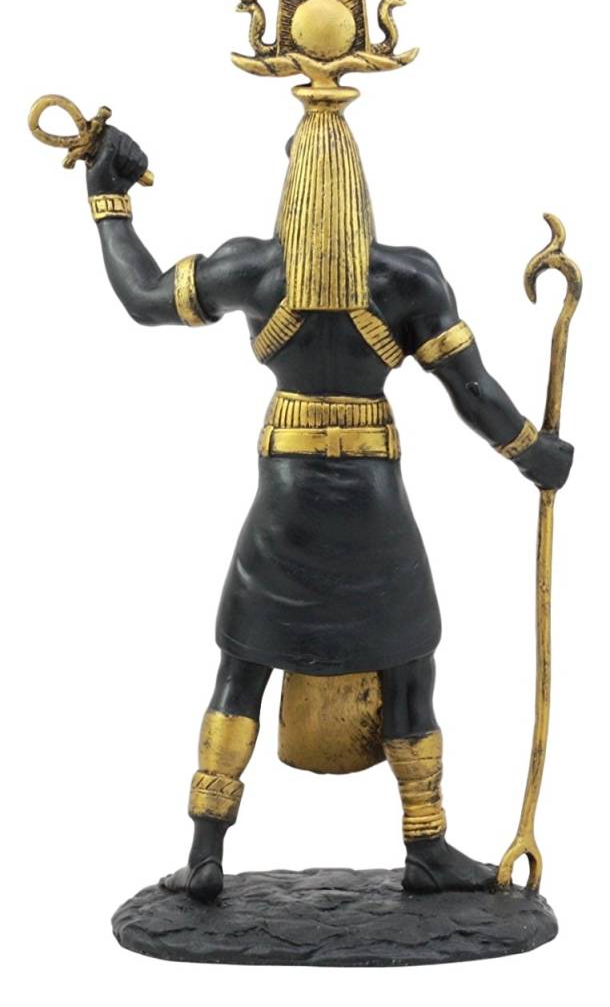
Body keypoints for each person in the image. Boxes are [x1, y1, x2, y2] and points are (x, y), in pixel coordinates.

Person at [85, 121, 573, 903]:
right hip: (374, 499)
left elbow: (145, 297)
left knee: (244, 664)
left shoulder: (251, 269)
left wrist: (107, 196)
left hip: (284, 500)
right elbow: (473, 390)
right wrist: (530, 452)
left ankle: (205, 850)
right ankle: (426, 843)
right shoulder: (409, 279)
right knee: (407, 663)